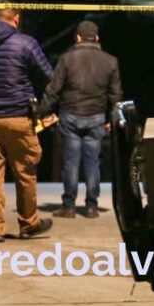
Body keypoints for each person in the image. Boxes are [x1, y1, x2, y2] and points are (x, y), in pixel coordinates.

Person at [0, 7, 54, 242]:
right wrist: (42, 108)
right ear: (16, 19)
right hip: (18, 117)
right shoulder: (26, 43)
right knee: (25, 172)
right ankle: (28, 223)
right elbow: (49, 76)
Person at [40, 20, 122, 219]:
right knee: (93, 162)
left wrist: (40, 112)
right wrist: (113, 117)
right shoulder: (111, 61)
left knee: (71, 163)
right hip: (96, 117)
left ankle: (68, 206)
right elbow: (116, 94)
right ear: (97, 38)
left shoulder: (66, 59)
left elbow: (54, 90)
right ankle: (92, 207)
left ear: (77, 37)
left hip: (70, 115)